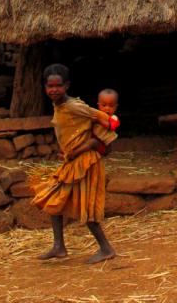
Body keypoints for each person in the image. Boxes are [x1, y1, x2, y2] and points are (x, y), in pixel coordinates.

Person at [31, 64, 116, 263]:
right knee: (54, 199)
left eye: (58, 86)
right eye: (49, 86)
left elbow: (100, 119)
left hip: (85, 162)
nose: (53, 90)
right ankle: (59, 246)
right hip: (72, 161)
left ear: (67, 85)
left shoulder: (73, 106)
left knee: (87, 205)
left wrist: (82, 148)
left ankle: (106, 248)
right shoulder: (59, 106)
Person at [93, 88, 120, 156]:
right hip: (93, 143)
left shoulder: (113, 118)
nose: (107, 108)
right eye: (104, 105)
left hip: (102, 145)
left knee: (92, 142)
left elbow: (111, 127)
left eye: (111, 106)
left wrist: (99, 121)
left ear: (116, 107)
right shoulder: (96, 115)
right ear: (98, 105)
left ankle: (74, 153)